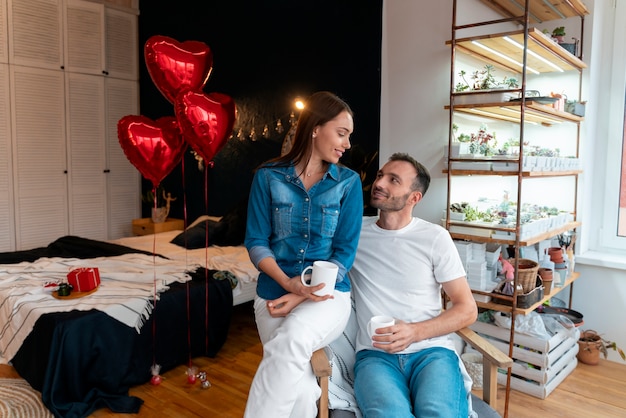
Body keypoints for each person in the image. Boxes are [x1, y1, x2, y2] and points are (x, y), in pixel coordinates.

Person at [244, 91, 364, 418]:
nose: (347, 144)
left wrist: (299, 294)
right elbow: (256, 241)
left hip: (327, 298)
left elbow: (344, 254)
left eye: (349, 136)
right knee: (299, 388)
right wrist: (286, 282)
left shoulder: (348, 183)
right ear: (315, 128)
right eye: (342, 133)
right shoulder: (267, 177)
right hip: (271, 295)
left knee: (293, 339)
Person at [350, 153, 477, 417]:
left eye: (393, 180)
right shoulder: (354, 233)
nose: (379, 183)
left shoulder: (435, 238)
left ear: (414, 198)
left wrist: (415, 332)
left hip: (432, 353)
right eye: (380, 175)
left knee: (438, 412)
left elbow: (467, 309)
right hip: (375, 356)